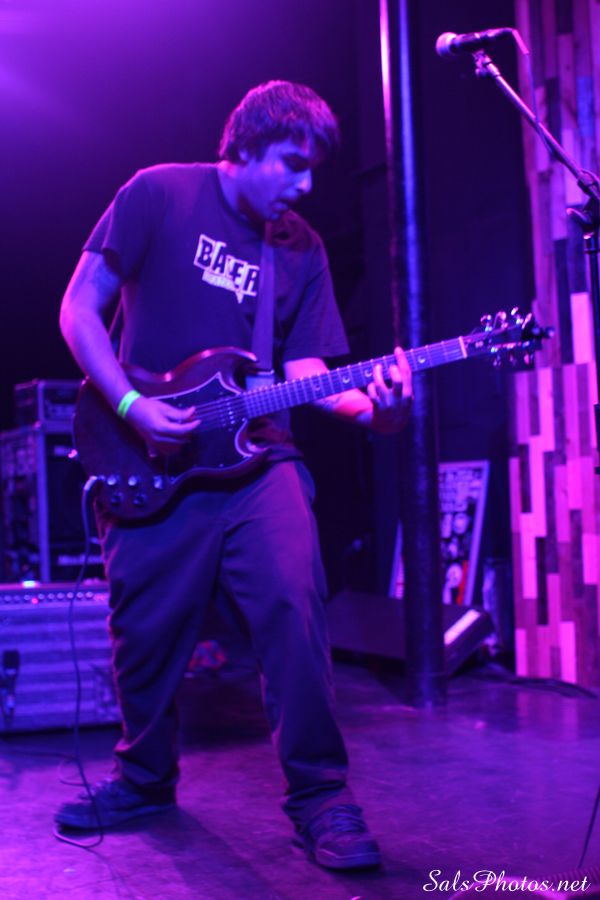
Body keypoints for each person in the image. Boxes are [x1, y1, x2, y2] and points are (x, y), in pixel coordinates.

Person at [56, 81, 413, 870]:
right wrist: (131, 406)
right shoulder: (157, 194)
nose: (305, 186)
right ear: (245, 146)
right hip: (149, 454)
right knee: (144, 635)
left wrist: (378, 411)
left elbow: (309, 370)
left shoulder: (300, 247)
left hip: (258, 459)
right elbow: (79, 309)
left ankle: (322, 798)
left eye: (314, 170)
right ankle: (144, 780)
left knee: (293, 605)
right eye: (293, 164)